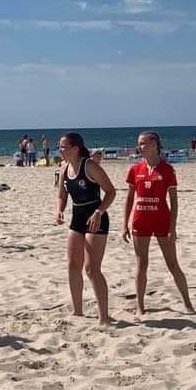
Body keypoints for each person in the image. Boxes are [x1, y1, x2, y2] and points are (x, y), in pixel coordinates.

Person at [121, 131, 194, 317]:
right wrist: (124, 224)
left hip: (162, 220)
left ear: (154, 144)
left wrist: (173, 227)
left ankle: (187, 303)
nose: (140, 147)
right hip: (140, 220)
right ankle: (140, 306)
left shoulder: (167, 169)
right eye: (139, 143)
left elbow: (174, 201)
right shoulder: (135, 169)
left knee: (173, 264)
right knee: (141, 263)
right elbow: (129, 199)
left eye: (143, 143)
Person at [56, 131, 116, 324]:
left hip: (96, 217)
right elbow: (62, 195)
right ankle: (78, 311)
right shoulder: (64, 168)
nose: (60, 150)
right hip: (77, 217)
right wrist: (59, 210)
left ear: (76, 148)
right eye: (60, 146)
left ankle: (103, 317)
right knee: (73, 265)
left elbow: (110, 192)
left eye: (64, 147)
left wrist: (99, 212)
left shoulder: (89, 165)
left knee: (91, 269)